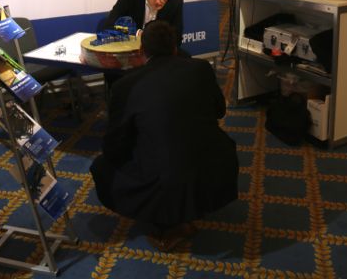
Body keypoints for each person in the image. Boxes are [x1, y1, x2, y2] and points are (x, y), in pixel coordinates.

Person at [90, 20, 239, 249]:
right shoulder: (201, 68)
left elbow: (115, 142)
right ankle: (186, 210)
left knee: (102, 166)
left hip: (164, 179)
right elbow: (219, 111)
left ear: (142, 50)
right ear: (174, 48)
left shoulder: (125, 86)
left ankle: (165, 223)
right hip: (216, 161)